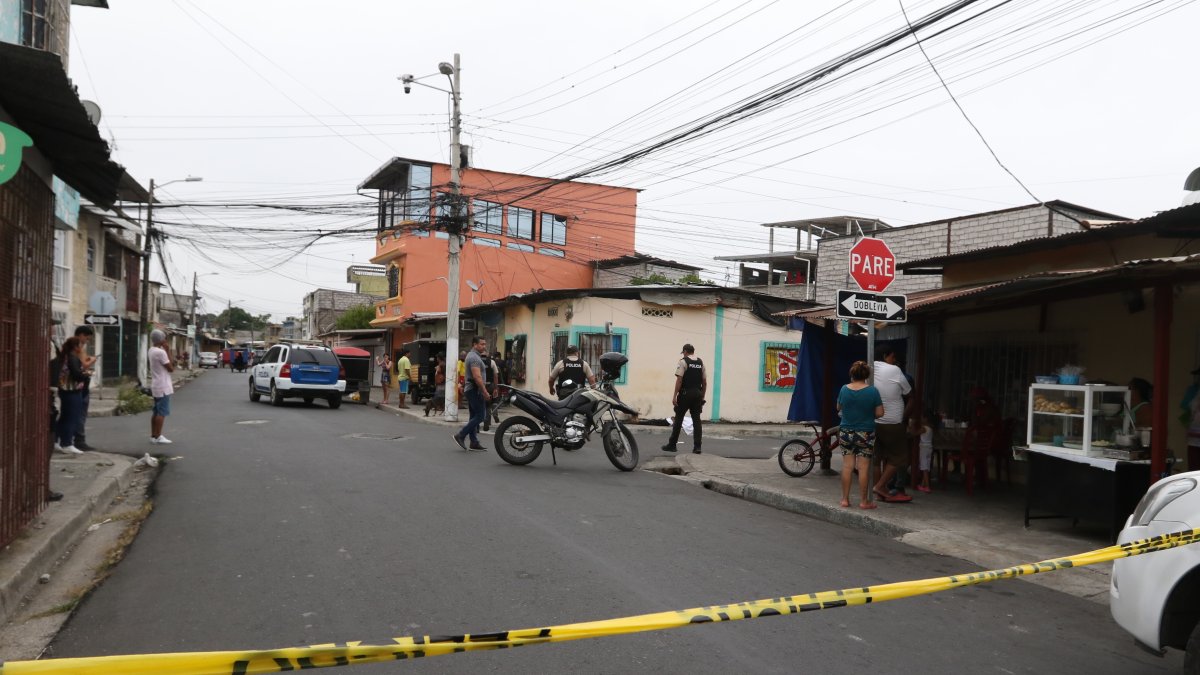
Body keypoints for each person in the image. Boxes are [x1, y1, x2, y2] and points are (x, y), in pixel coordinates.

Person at [838, 361, 883, 510]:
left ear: (852, 374)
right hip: (866, 433)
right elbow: (880, 413)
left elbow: (838, 407)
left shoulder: (844, 389)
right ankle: (864, 501)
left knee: (847, 466)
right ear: (866, 375)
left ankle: (845, 499)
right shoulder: (873, 391)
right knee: (863, 468)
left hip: (846, 432)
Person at [871, 345, 913, 503]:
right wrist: (903, 417)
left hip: (874, 421)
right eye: (893, 357)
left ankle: (879, 491)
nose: (895, 361)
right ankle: (880, 486)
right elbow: (910, 395)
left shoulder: (868, 367)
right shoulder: (894, 370)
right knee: (900, 457)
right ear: (885, 355)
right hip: (892, 421)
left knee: (877, 458)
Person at [661, 343, 706, 455]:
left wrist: (675, 395)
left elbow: (679, 380)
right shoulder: (701, 363)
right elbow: (704, 382)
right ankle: (697, 447)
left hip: (685, 394)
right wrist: (702, 396)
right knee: (696, 420)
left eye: (684, 352)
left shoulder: (683, 362)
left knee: (679, 419)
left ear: (685, 351)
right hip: (697, 394)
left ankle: (672, 445)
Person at [452, 337, 491, 451]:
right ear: (475, 345)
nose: (484, 346)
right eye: (481, 344)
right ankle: (461, 435)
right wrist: (484, 391)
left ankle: (474, 442)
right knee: (480, 416)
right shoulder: (474, 357)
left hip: (472, 389)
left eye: (485, 344)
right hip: (475, 390)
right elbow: (477, 376)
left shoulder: (474, 356)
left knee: (473, 416)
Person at [53, 337, 88, 455]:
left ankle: (55, 440)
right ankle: (67, 443)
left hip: (65, 390)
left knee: (64, 417)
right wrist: (85, 374)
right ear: (75, 347)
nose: (81, 347)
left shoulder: (65, 356)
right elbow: (77, 375)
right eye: (80, 345)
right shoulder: (72, 358)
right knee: (71, 417)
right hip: (72, 390)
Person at [72, 325, 98, 451]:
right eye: (86, 338)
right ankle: (79, 440)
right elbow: (83, 365)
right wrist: (92, 360)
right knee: (79, 414)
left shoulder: (79, 348)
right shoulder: (76, 348)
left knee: (78, 413)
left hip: (82, 385)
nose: (87, 340)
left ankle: (72, 439)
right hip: (79, 386)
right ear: (81, 335)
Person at [148, 329, 175, 445]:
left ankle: (153, 436)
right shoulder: (161, 352)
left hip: (156, 384)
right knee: (162, 412)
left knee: (156, 411)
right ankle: (158, 436)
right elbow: (171, 368)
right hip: (163, 386)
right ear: (161, 339)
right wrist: (168, 350)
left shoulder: (151, 350)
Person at [481, 350, 502, 432]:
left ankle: (487, 422)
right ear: (487, 354)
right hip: (491, 385)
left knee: (486, 405)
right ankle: (495, 413)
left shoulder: (477, 361)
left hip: (482, 386)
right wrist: (496, 388)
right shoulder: (492, 362)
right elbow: (496, 375)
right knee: (494, 400)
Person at [915, 412, 935, 493]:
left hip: (924, 448)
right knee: (926, 466)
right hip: (929, 447)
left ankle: (927, 486)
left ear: (926, 419)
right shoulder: (930, 428)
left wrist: (911, 426)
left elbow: (915, 433)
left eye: (922, 418)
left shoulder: (924, 428)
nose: (921, 419)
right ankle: (923, 484)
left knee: (924, 467)